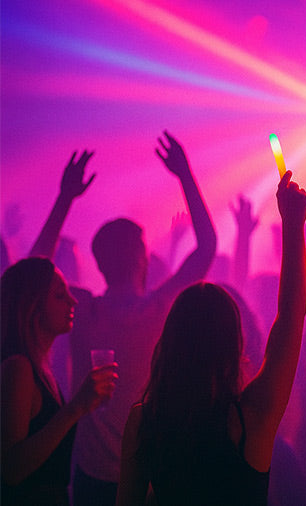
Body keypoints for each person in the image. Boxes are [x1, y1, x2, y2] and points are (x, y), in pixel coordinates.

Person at [116, 170, 306, 505]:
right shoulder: (252, 417)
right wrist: (293, 225)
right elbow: (291, 318)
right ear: (234, 344)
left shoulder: (145, 419)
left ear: (171, 342)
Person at [68, 131, 218, 506]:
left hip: (91, 476)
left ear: (100, 263)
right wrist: (184, 175)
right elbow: (208, 247)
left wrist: (64, 199)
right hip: (148, 472)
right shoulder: (158, 309)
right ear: (142, 258)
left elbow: (32, 270)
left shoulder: (81, 310)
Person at [1, 257, 117, 505]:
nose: (73, 301)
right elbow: (11, 469)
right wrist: (76, 407)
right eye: (59, 295)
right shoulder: (18, 368)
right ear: (32, 305)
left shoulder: (40, 364)